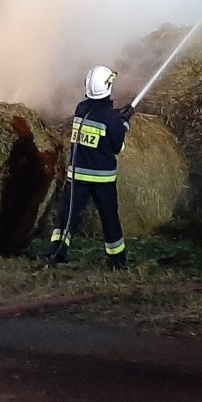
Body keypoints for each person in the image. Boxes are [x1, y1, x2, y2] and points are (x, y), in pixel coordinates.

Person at [46, 65, 132, 269]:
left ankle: (55, 254)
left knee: (67, 217)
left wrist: (117, 120)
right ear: (108, 87)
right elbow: (117, 147)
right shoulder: (111, 118)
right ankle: (118, 262)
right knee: (109, 219)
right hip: (102, 179)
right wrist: (124, 125)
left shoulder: (81, 108)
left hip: (77, 175)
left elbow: (98, 122)